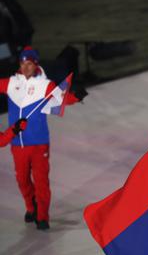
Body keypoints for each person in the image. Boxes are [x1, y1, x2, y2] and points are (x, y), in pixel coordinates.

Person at [0, 47, 86, 230]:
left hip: (39, 144)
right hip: (17, 144)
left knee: (41, 181)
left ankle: (42, 216)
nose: (25, 67)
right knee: (22, 180)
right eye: (22, 63)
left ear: (35, 64)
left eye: (29, 63)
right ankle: (31, 207)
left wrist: (76, 97)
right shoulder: (11, 83)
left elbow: (62, 99)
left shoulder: (45, 85)